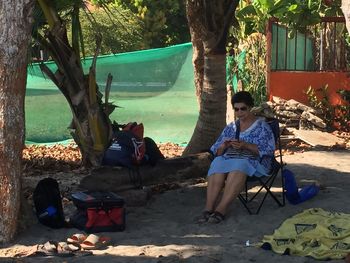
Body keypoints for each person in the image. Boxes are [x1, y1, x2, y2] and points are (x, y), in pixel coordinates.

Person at [197, 91, 275, 224]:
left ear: (250, 107)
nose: (240, 112)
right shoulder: (231, 127)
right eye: (236, 109)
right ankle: (208, 208)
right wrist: (224, 145)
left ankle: (221, 209)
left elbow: (269, 150)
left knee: (239, 166)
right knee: (217, 163)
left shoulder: (262, 127)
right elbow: (216, 150)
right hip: (231, 157)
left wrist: (246, 145)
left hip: (254, 161)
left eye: (243, 108)